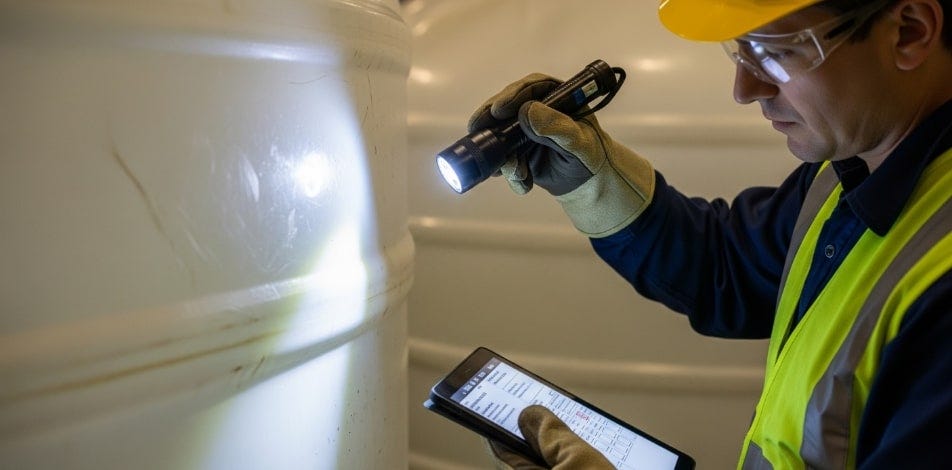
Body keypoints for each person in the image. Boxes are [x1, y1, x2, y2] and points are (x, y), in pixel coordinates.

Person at [469, 0, 952, 468]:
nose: (744, 88)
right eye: (741, 50)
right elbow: (727, 267)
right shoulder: (851, 168)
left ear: (909, 30)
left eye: (776, 51)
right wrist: (593, 179)